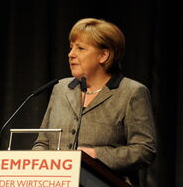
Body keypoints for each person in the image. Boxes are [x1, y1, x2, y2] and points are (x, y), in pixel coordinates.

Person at [32, 18, 157, 186]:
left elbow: (144, 150)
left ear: (104, 55)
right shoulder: (61, 88)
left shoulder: (131, 92)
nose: (71, 54)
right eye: (71, 47)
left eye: (81, 48)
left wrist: (96, 155)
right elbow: (43, 142)